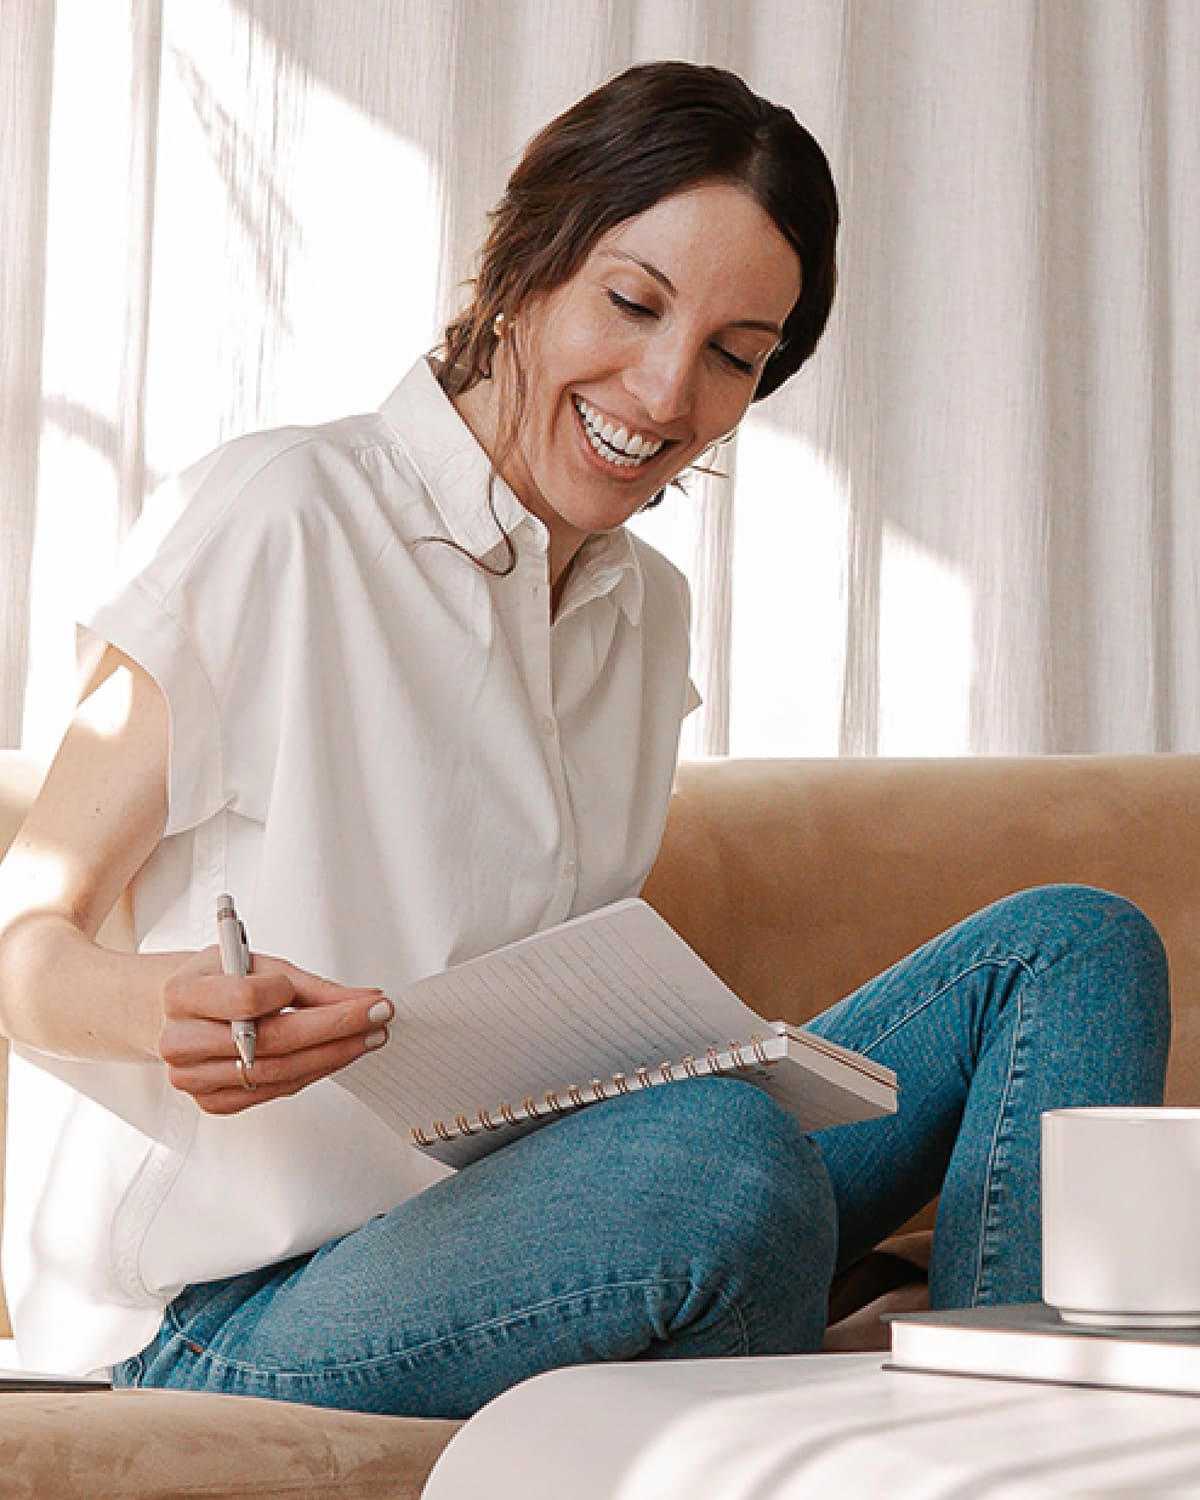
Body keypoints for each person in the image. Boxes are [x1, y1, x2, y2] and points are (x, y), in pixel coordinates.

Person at [0, 61, 1169, 1419]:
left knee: (1075, 945)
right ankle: (843, 1374)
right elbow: (23, 943)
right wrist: (162, 1010)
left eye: (735, 354)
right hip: (226, 1306)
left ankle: (1004, 1443)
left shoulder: (642, 613)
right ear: (524, 263)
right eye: (633, 301)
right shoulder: (285, 517)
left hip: (537, 1206)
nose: (667, 392)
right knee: (726, 1166)